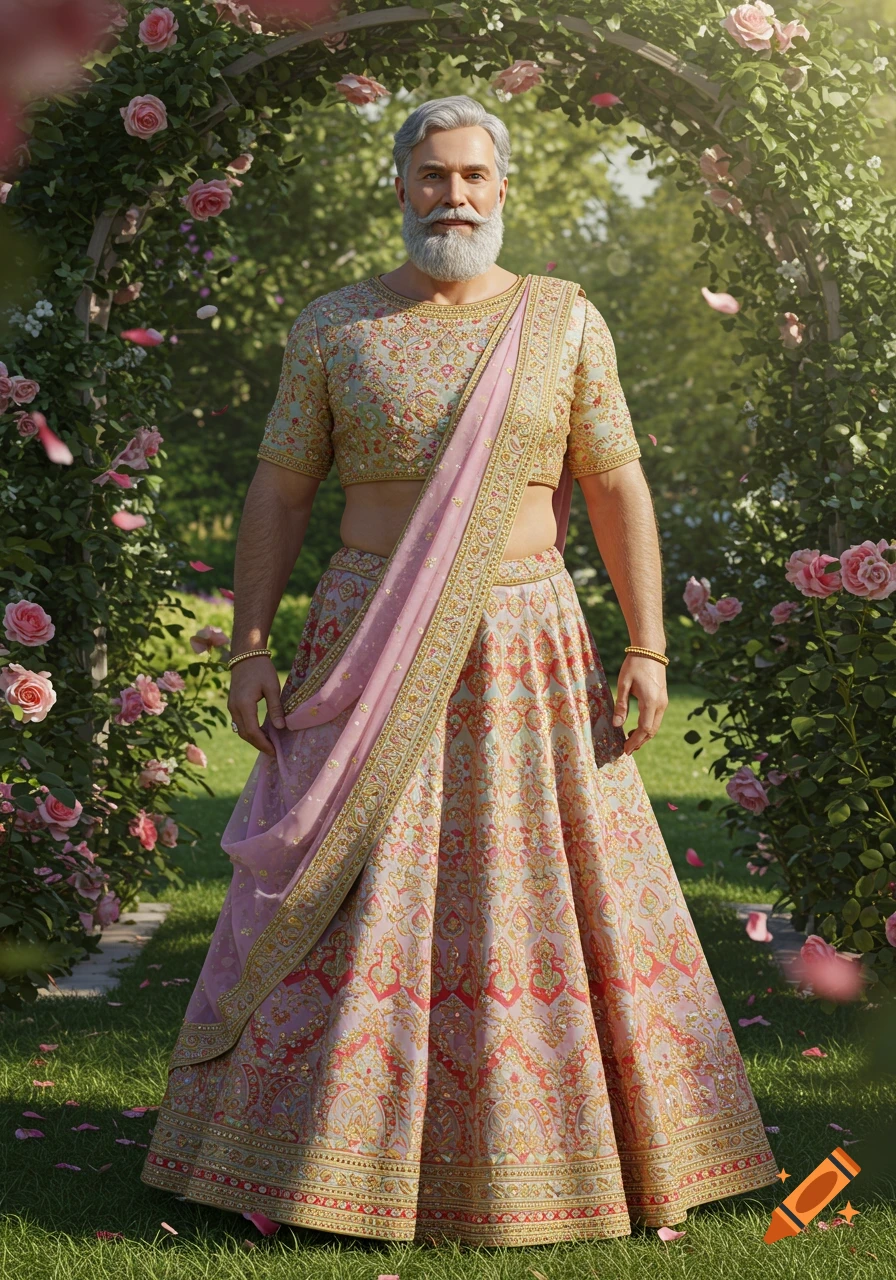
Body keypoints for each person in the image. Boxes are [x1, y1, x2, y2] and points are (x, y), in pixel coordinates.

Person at [142, 95, 778, 1246]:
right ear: (397, 187)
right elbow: (280, 490)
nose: (455, 196)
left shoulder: (564, 322)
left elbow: (614, 484)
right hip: (363, 635)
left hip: (530, 642)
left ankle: (593, 1156)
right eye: (434, 176)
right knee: (348, 880)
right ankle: (301, 1157)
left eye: (475, 177)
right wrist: (247, 643)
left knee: (544, 892)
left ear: (502, 188)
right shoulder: (332, 325)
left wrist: (646, 643)